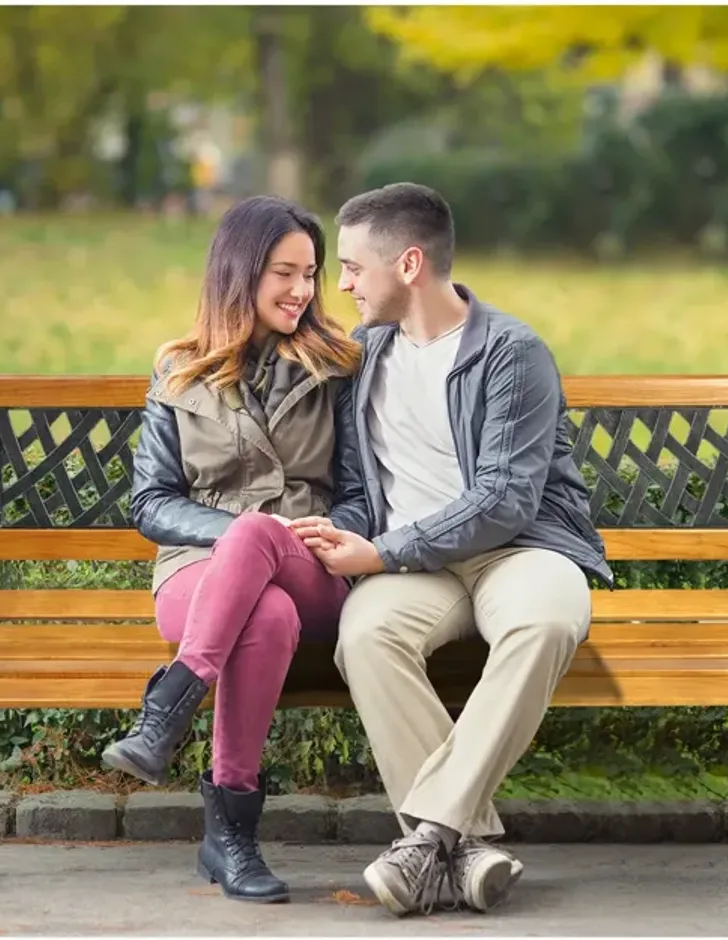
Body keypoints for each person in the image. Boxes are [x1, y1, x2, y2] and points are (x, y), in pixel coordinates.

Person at [290, 182, 613, 917]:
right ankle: (464, 851)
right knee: (366, 636)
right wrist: (351, 532)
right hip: (412, 565)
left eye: (351, 267)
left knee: (546, 622)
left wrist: (381, 552)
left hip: (520, 550)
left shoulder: (511, 352)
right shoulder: (362, 356)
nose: (339, 285)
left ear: (408, 264)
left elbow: (504, 500)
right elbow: (350, 478)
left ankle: (430, 832)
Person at [102, 195, 369, 904]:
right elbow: (151, 503)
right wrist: (243, 538)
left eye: (311, 273)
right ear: (238, 271)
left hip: (316, 563)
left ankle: (173, 699)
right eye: (285, 272)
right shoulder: (180, 371)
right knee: (266, 608)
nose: (303, 290)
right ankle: (231, 840)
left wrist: (328, 532)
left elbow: (361, 491)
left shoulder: (338, 367)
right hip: (200, 576)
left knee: (264, 543)